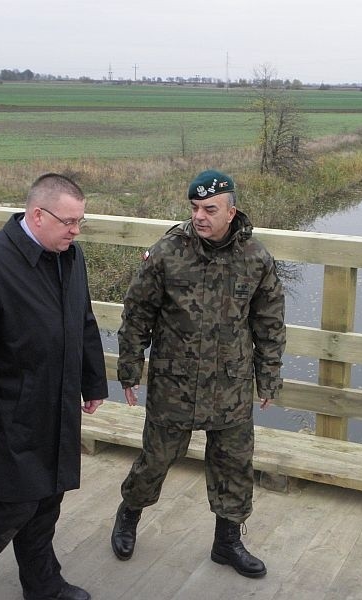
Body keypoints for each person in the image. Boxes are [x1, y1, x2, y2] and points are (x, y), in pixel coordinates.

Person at [111, 169, 286, 578]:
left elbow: (270, 323)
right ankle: (129, 514)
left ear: (231, 211)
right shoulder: (168, 252)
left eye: (210, 209)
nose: (200, 216)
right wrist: (130, 367)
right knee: (155, 460)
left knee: (234, 465)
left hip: (232, 385)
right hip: (176, 383)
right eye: (194, 208)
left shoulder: (255, 258)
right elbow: (137, 313)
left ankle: (227, 543)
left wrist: (269, 377)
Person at [0, 173, 108, 600]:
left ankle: (43, 584)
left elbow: (83, 321)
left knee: (48, 499)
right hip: (8, 410)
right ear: (37, 215)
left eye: (80, 222)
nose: (75, 231)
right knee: (14, 504)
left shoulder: (71, 257)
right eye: (68, 222)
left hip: (56, 404)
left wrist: (93, 381)